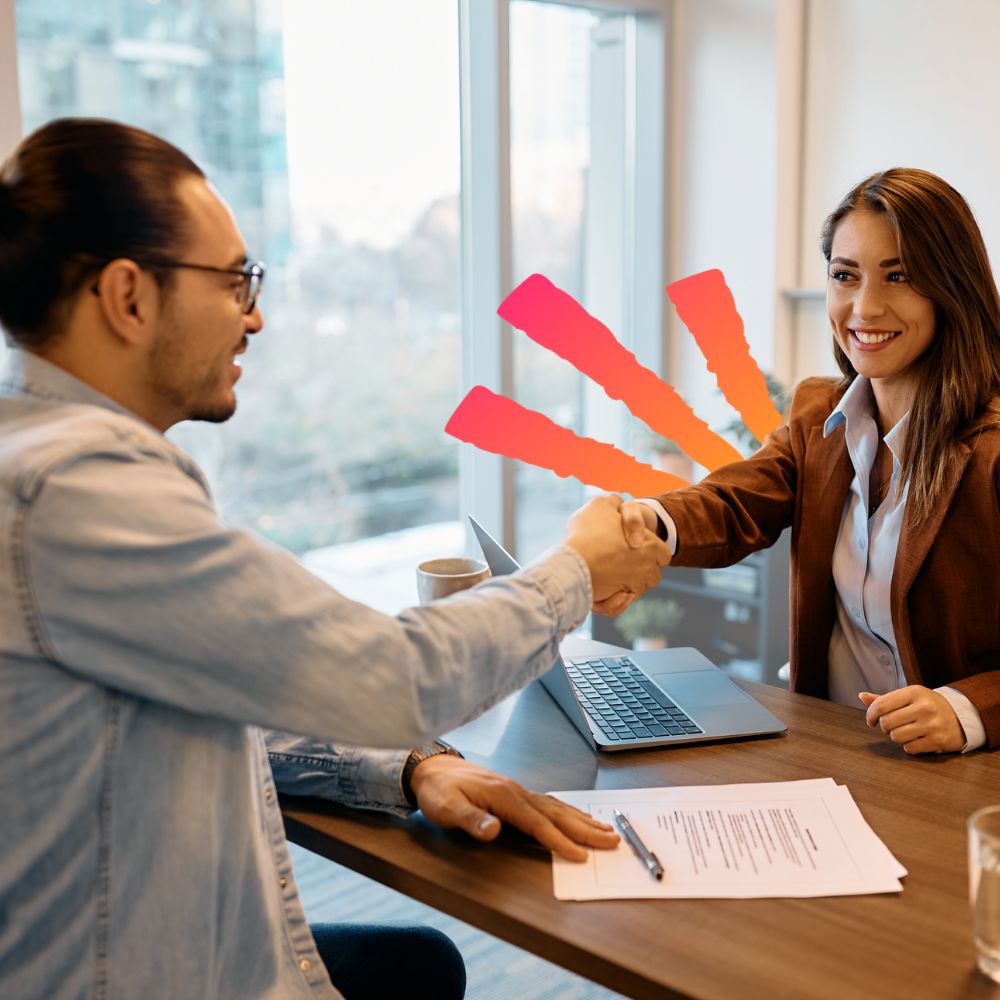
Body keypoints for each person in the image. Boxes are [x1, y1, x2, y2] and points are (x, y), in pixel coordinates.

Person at [0, 118, 672, 1000]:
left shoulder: (36, 457)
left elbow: (232, 681)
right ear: (128, 296)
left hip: (180, 939)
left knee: (420, 966)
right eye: (236, 279)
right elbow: (395, 675)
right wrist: (575, 568)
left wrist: (412, 766)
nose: (257, 313)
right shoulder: (82, 494)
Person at [618, 167, 1000, 756]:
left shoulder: (992, 446)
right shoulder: (819, 414)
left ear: (952, 286)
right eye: (844, 276)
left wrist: (968, 708)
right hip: (831, 752)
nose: (864, 307)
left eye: (899, 276)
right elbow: (733, 503)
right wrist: (642, 525)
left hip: (954, 783)